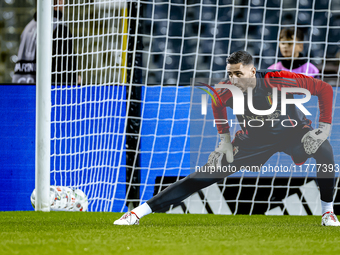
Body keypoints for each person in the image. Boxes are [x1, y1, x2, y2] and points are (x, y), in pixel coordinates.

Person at [114, 51, 339, 226]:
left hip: (293, 134)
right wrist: (224, 141)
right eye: (229, 73)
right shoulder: (226, 91)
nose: (232, 79)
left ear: (252, 71)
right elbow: (217, 105)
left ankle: (328, 212)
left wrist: (324, 128)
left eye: (238, 74)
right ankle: (137, 213)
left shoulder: (278, 79)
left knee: (325, 151)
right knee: (203, 175)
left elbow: (324, 88)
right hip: (254, 141)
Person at [12, 0, 80, 84]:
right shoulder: (60, 29)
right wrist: (76, 80)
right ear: (58, 2)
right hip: (47, 93)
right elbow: (65, 73)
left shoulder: (27, 28)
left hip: (22, 91)